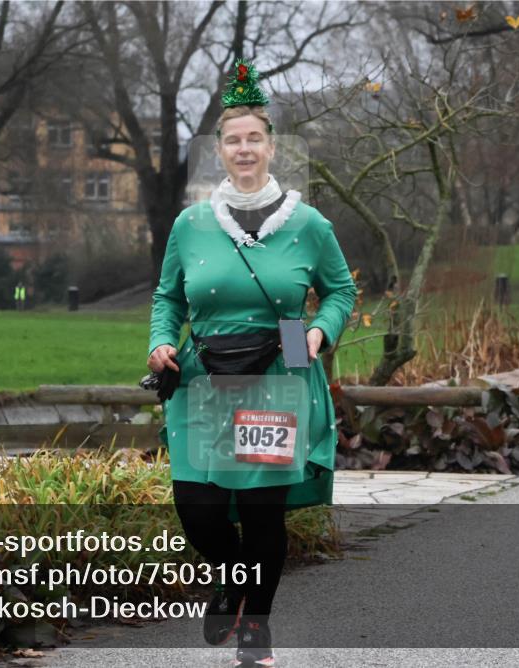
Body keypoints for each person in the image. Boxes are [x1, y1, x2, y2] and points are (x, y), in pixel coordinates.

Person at [146, 58, 356, 667]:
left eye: (254, 138)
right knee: (197, 504)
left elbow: (340, 291)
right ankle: (233, 580)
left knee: (264, 509)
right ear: (220, 150)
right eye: (233, 139)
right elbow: (167, 296)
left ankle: (255, 630)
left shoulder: (309, 223)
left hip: (283, 361)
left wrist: (317, 332)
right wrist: (160, 341)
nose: (244, 148)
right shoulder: (190, 224)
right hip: (203, 370)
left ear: (271, 147)